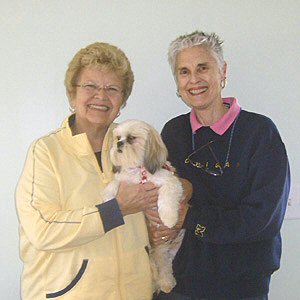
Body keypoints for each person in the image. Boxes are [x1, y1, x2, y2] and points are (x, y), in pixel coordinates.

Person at [16, 42, 164, 300]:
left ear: (123, 100)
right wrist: (115, 210)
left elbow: (160, 204)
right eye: (90, 86)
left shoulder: (138, 143)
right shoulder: (46, 152)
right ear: (72, 94)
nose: (101, 96)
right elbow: (42, 229)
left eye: (112, 89)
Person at [151, 31, 290, 300]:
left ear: (222, 71)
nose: (194, 80)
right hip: (178, 284)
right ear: (177, 82)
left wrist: (190, 218)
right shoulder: (172, 133)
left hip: (240, 285)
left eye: (203, 68)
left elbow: (263, 219)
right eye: (184, 71)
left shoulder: (260, 132)